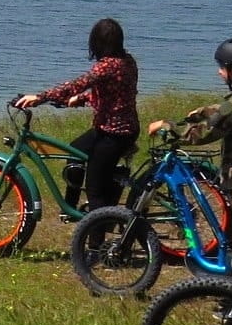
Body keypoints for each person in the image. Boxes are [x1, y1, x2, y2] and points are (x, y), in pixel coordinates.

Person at [148, 36, 232, 288]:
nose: (219, 71)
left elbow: (203, 133)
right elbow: (221, 111)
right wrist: (199, 113)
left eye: (222, 67)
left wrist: (167, 129)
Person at [14, 17, 140, 215]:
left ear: (98, 43)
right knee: (75, 149)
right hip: (121, 128)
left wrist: (40, 97)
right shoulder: (128, 61)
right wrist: (81, 99)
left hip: (114, 134)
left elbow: (77, 84)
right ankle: (70, 208)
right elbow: (117, 94)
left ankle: (95, 244)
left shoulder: (106, 66)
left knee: (95, 190)